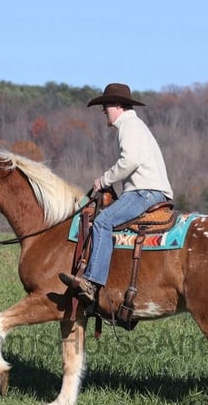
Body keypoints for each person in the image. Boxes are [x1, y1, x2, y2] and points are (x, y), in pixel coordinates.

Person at [60, 83, 174, 303]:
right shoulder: (136, 125)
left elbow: (129, 161)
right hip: (151, 189)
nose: (104, 111)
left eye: (106, 106)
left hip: (144, 191)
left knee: (103, 222)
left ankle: (92, 283)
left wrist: (104, 180)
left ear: (119, 106)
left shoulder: (128, 126)